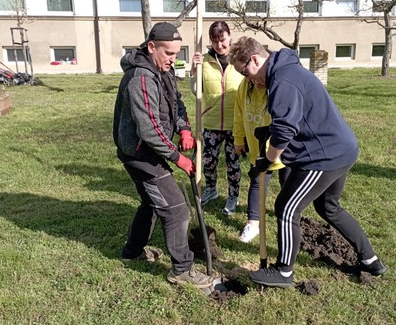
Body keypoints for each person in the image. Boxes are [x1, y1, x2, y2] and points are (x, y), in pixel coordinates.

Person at [228, 36, 387, 288]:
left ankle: (283, 272)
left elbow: (286, 130)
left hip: (324, 156)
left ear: (255, 59)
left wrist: (267, 161)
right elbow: (299, 116)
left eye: (244, 71)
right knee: (329, 208)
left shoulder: (282, 80)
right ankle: (370, 260)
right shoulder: (287, 71)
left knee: (287, 207)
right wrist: (267, 129)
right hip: (342, 148)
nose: (247, 79)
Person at [113, 22, 214, 288]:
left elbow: (176, 102)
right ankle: (182, 270)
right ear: (151, 47)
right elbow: (148, 128)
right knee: (177, 209)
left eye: (177, 53)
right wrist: (177, 157)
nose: (173, 59)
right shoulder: (141, 78)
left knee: (152, 204)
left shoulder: (163, 71)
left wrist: (184, 129)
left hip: (152, 150)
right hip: (140, 154)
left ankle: (131, 253)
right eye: (168, 53)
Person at [190, 21, 243, 215]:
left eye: (222, 40)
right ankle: (211, 190)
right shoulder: (203, 61)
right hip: (211, 122)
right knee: (208, 161)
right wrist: (194, 71)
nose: (219, 45)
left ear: (229, 36)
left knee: (233, 163)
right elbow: (197, 91)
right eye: (215, 41)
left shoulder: (239, 59)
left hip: (234, 123)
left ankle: (233, 196)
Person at [233, 78, 291, 243]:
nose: (254, 80)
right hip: (257, 145)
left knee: (288, 184)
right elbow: (238, 113)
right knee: (257, 183)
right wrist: (238, 139)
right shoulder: (244, 85)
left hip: (283, 148)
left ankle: (289, 218)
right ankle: (253, 224)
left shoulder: (278, 85)